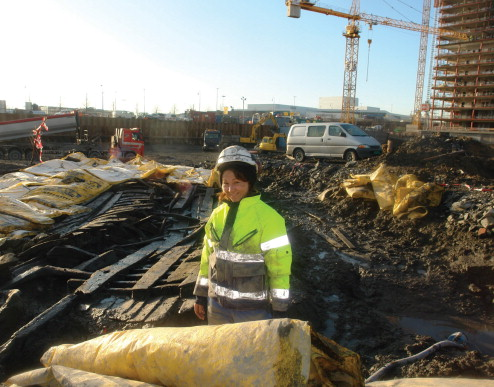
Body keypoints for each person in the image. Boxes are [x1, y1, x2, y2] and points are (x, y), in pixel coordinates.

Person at [193, 145, 292, 325]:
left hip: (253, 312)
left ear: (249, 182)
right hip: (217, 307)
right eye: (226, 183)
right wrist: (201, 295)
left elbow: (279, 267)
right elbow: (207, 258)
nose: (231, 189)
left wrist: (279, 308)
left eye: (237, 182)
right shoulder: (217, 215)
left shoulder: (269, 218)